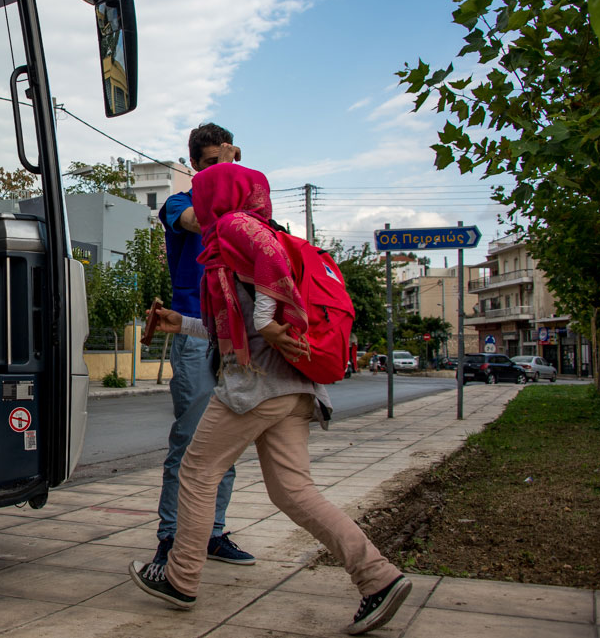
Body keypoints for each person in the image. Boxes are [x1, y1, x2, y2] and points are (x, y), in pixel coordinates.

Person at [129, 159, 412, 637]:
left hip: (257, 385)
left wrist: (264, 322)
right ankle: (378, 578)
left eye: (202, 193)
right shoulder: (253, 237)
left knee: (198, 471)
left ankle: (179, 579)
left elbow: (267, 289)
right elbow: (232, 324)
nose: (199, 202)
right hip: (295, 385)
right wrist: (181, 322)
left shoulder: (238, 228)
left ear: (222, 194)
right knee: (293, 491)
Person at [152, 123, 254, 567]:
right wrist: (229, 172)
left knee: (226, 443)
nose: (218, 171)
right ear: (195, 164)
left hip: (235, 336)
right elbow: (206, 221)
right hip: (194, 335)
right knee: (189, 441)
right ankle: (171, 536)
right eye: (211, 163)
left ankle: (212, 533)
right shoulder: (179, 203)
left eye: (223, 161)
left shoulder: (244, 207)